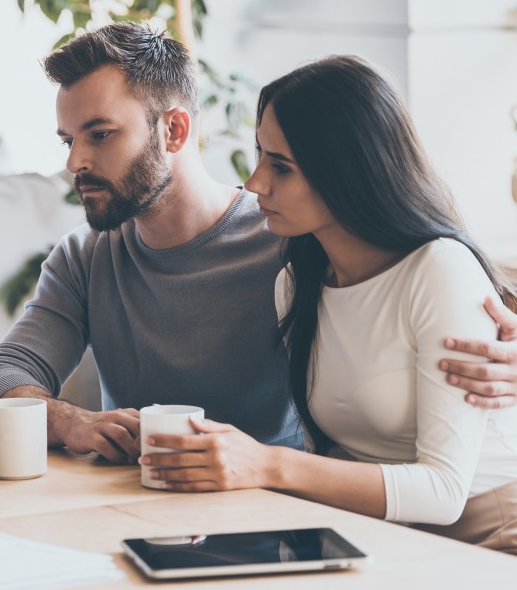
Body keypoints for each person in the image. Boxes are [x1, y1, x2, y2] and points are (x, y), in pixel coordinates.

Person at [0, 22, 517, 464]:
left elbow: (423, 273)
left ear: (174, 130)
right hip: (140, 519)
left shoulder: (293, 235)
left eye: (100, 135)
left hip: (285, 523)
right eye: (68, 140)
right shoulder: (85, 258)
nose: (75, 162)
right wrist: (68, 420)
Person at [140, 55, 517, 552]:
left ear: (347, 171)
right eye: (261, 157)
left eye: (281, 166)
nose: (255, 184)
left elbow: (444, 494)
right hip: (377, 538)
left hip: (489, 534)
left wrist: (265, 465)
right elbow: (330, 460)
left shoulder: (438, 270)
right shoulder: (297, 284)